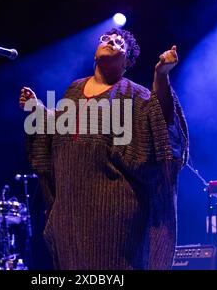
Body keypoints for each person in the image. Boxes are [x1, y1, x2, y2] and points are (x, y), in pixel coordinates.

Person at [19, 28, 189, 270]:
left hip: (112, 214)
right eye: (106, 39)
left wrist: (161, 76)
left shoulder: (133, 95)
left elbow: (161, 124)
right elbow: (61, 127)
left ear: (127, 61)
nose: (111, 41)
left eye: (119, 42)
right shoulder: (75, 89)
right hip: (69, 213)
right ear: (94, 55)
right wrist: (37, 109)